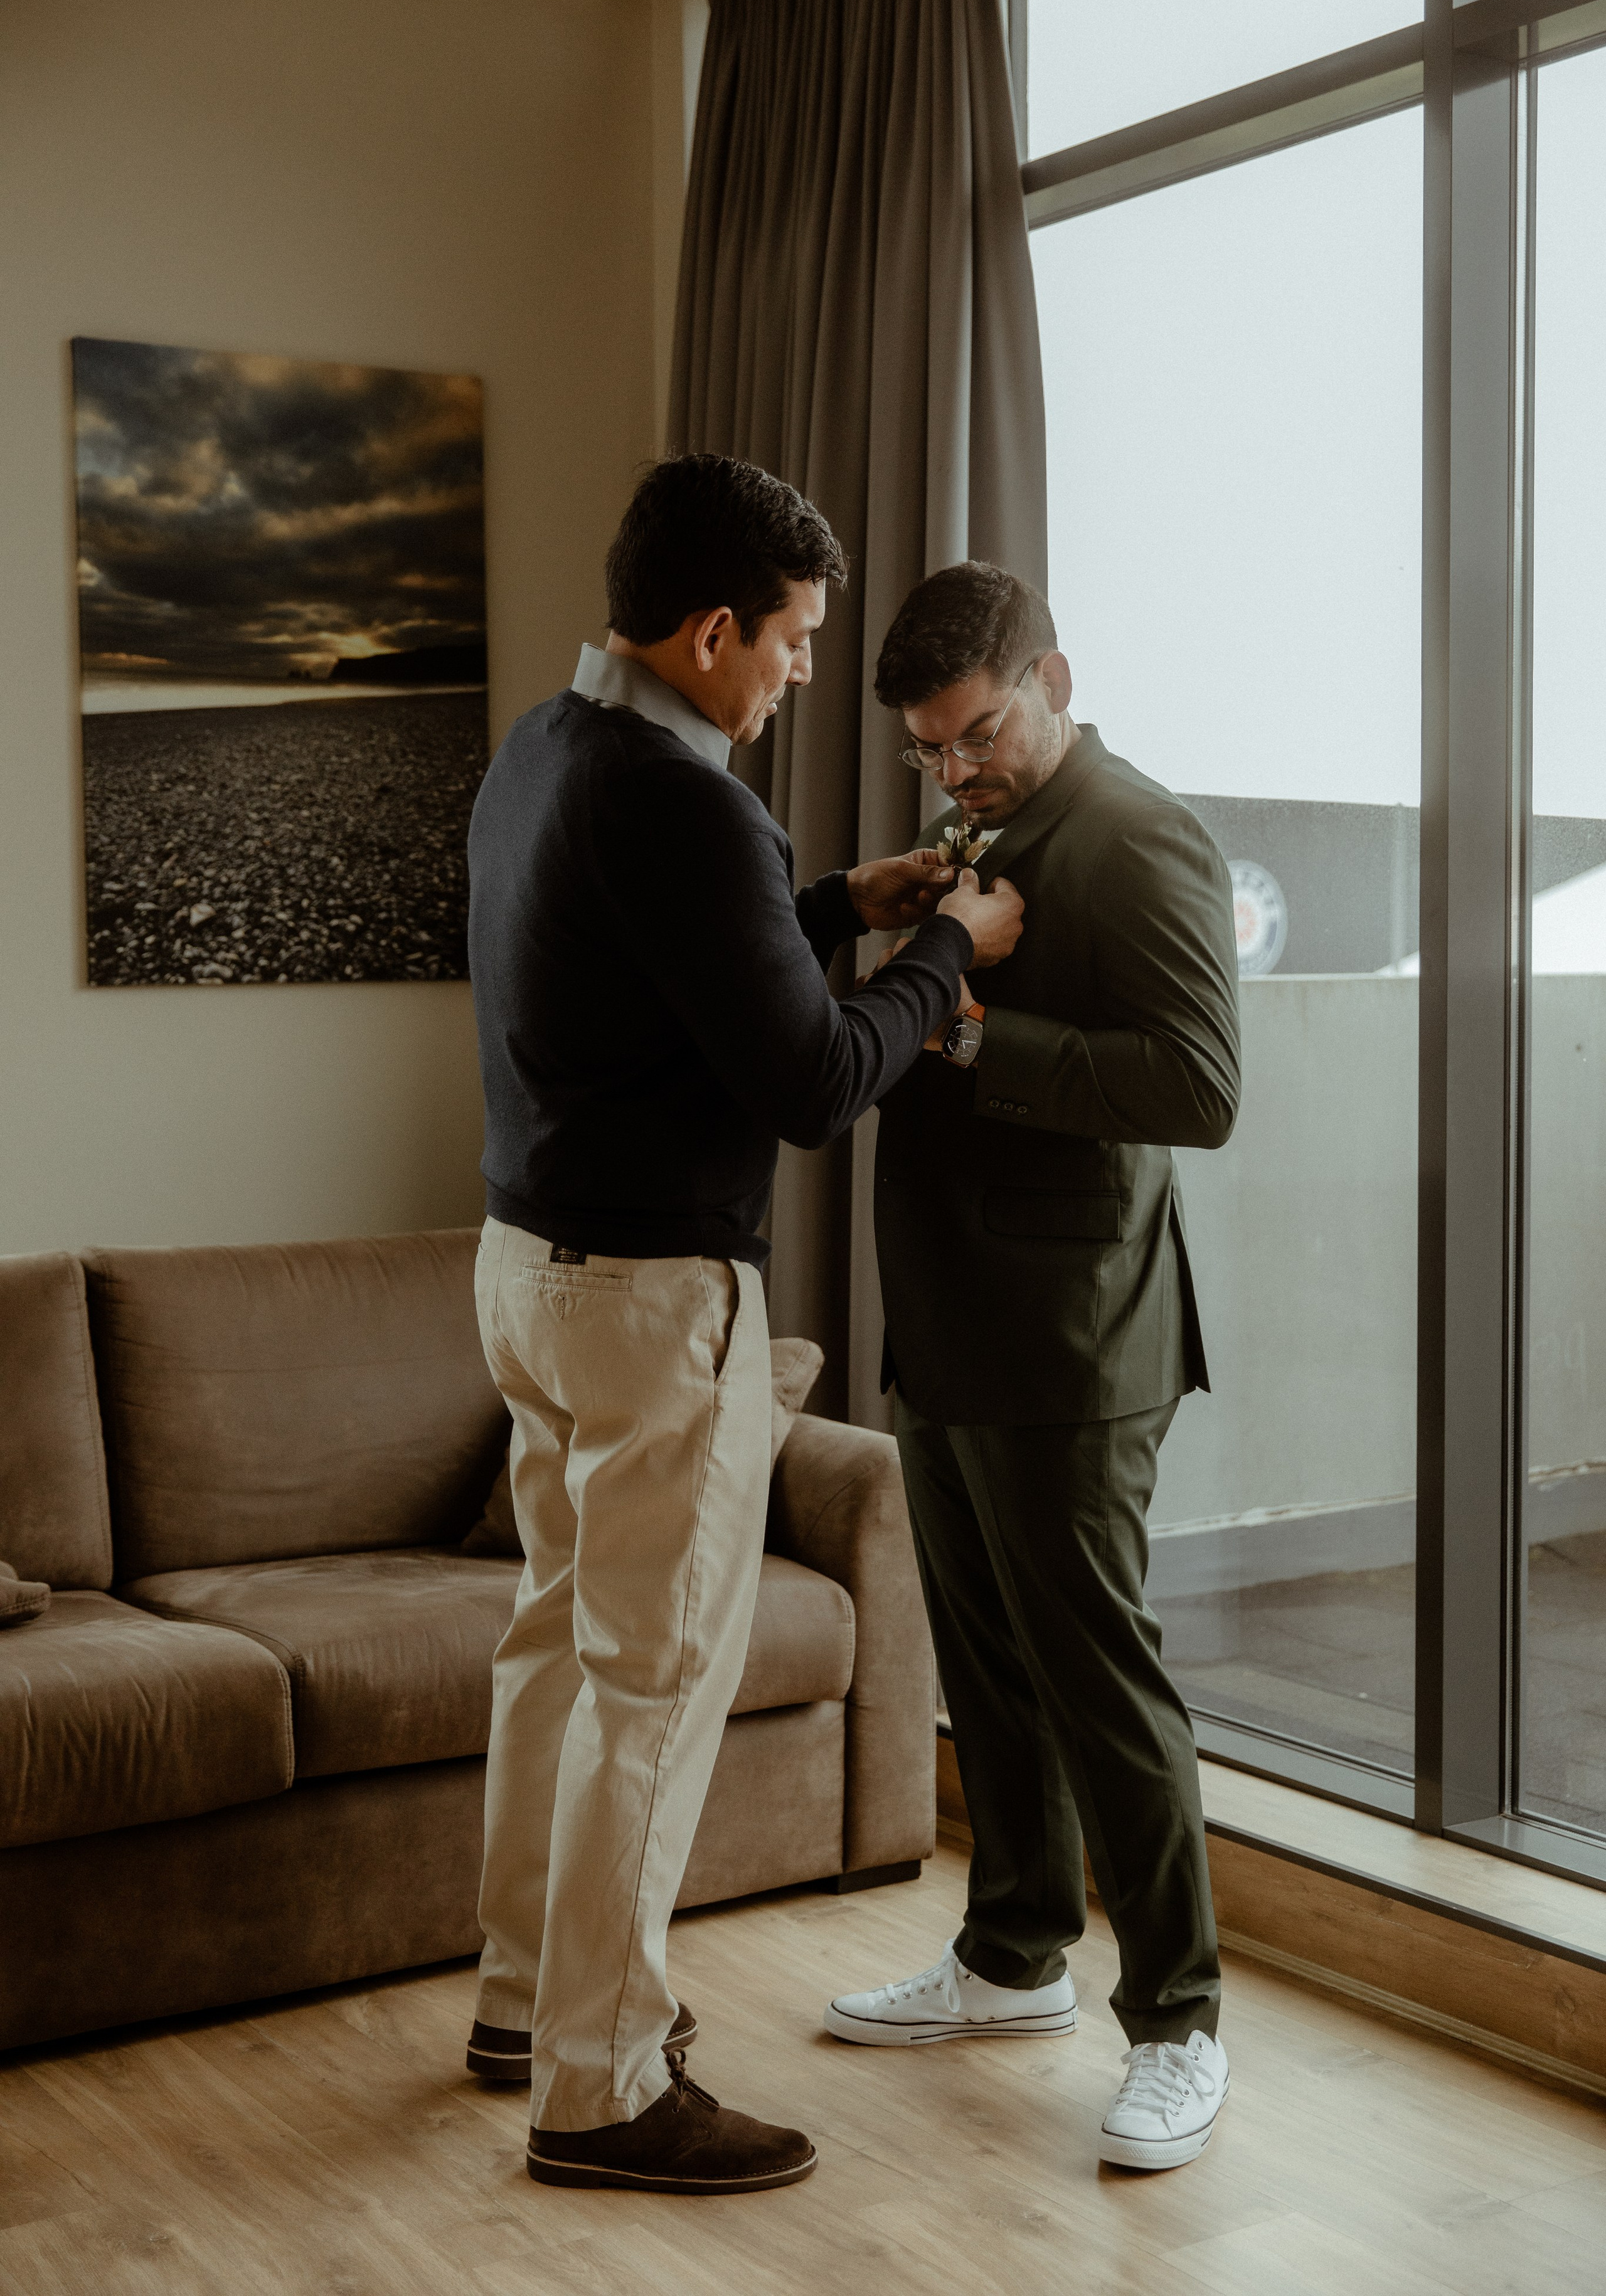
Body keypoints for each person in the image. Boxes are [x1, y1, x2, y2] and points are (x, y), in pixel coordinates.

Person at [464, 459, 1024, 2197]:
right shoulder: (693, 802)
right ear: (716, 633)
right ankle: (604, 2084)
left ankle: (523, 2005)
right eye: (788, 644)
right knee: (656, 1689)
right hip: (650, 1304)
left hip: (526, 1271)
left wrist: (829, 907)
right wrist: (947, 952)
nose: (793, 676)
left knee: (556, 1656)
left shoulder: (544, 754)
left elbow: (646, 973)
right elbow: (806, 1078)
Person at [824, 560, 1241, 2176]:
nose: (961, 770)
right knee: (985, 1661)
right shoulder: (987, 825)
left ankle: (1182, 2023)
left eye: (982, 733)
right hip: (950, 1319)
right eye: (936, 749)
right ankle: (1009, 1961)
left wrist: (972, 1033)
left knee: (1098, 1678)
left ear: (1055, 677)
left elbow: (1197, 1090)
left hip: (1073, 1335)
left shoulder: (1141, 836)